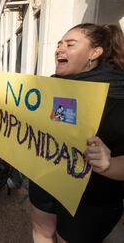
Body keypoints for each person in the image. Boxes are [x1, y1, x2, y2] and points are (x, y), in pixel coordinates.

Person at [26, 23, 124, 243]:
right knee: (41, 230)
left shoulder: (118, 97)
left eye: (70, 44)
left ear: (94, 53)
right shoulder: (51, 87)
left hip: (90, 198)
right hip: (46, 180)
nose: (59, 48)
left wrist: (109, 165)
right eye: (59, 43)